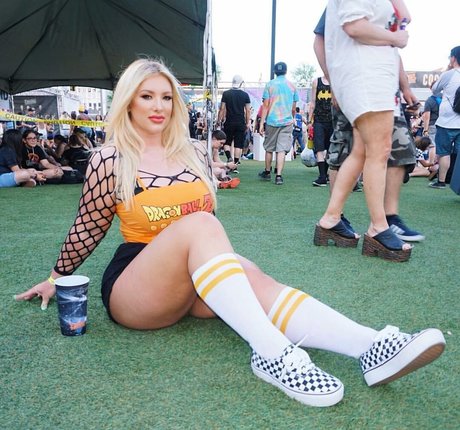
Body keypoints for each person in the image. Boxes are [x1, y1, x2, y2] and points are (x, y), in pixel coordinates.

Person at [14, 59, 445, 408]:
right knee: (204, 225)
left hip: (191, 280)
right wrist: (56, 277)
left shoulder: (192, 152)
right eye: (146, 96)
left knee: (253, 277)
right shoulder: (110, 158)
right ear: (128, 101)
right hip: (136, 287)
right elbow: (88, 225)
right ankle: (273, 354)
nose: (158, 106)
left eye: (166, 96)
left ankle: (370, 347)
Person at [313, 7, 425, 247]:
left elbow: (404, 17)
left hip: (375, 77)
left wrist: (403, 84)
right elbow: (354, 26)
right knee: (377, 150)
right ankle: (378, 227)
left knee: (362, 150)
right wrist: (395, 38)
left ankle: (332, 218)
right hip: (365, 76)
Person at [258, 62, 298, 185]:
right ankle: (279, 176)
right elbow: (294, 108)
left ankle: (267, 172)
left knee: (269, 148)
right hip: (287, 122)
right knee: (281, 150)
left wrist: (261, 123)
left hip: (272, 121)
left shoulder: (270, 85)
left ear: (274, 72)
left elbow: (265, 106)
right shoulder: (292, 86)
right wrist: (292, 118)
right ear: (286, 71)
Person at [429, 46, 460, 189]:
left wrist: (448, 68)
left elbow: (435, 89)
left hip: (447, 121)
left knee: (444, 152)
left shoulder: (449, 74)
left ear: (453, 58)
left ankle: (441, 181)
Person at [217, 74, 251, 167]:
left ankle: (229, 157)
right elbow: (248, 110)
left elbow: (222, 108)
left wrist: (219, 120)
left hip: (229, 121)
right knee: (238, 144)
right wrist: (248, 122)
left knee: (227, 142)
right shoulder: (245, 95)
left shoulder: (226, 94)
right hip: (240, 122)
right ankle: (235, 164)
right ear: (241, 83)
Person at [309, 75, 333, 187]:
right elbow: (312, 102)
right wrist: (309, 120)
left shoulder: (336, 81)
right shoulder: (316, 82)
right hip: (319, 120)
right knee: (319, 148)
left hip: (333, 121)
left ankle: (325, 175)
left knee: (330, 149)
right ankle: (322, 176)